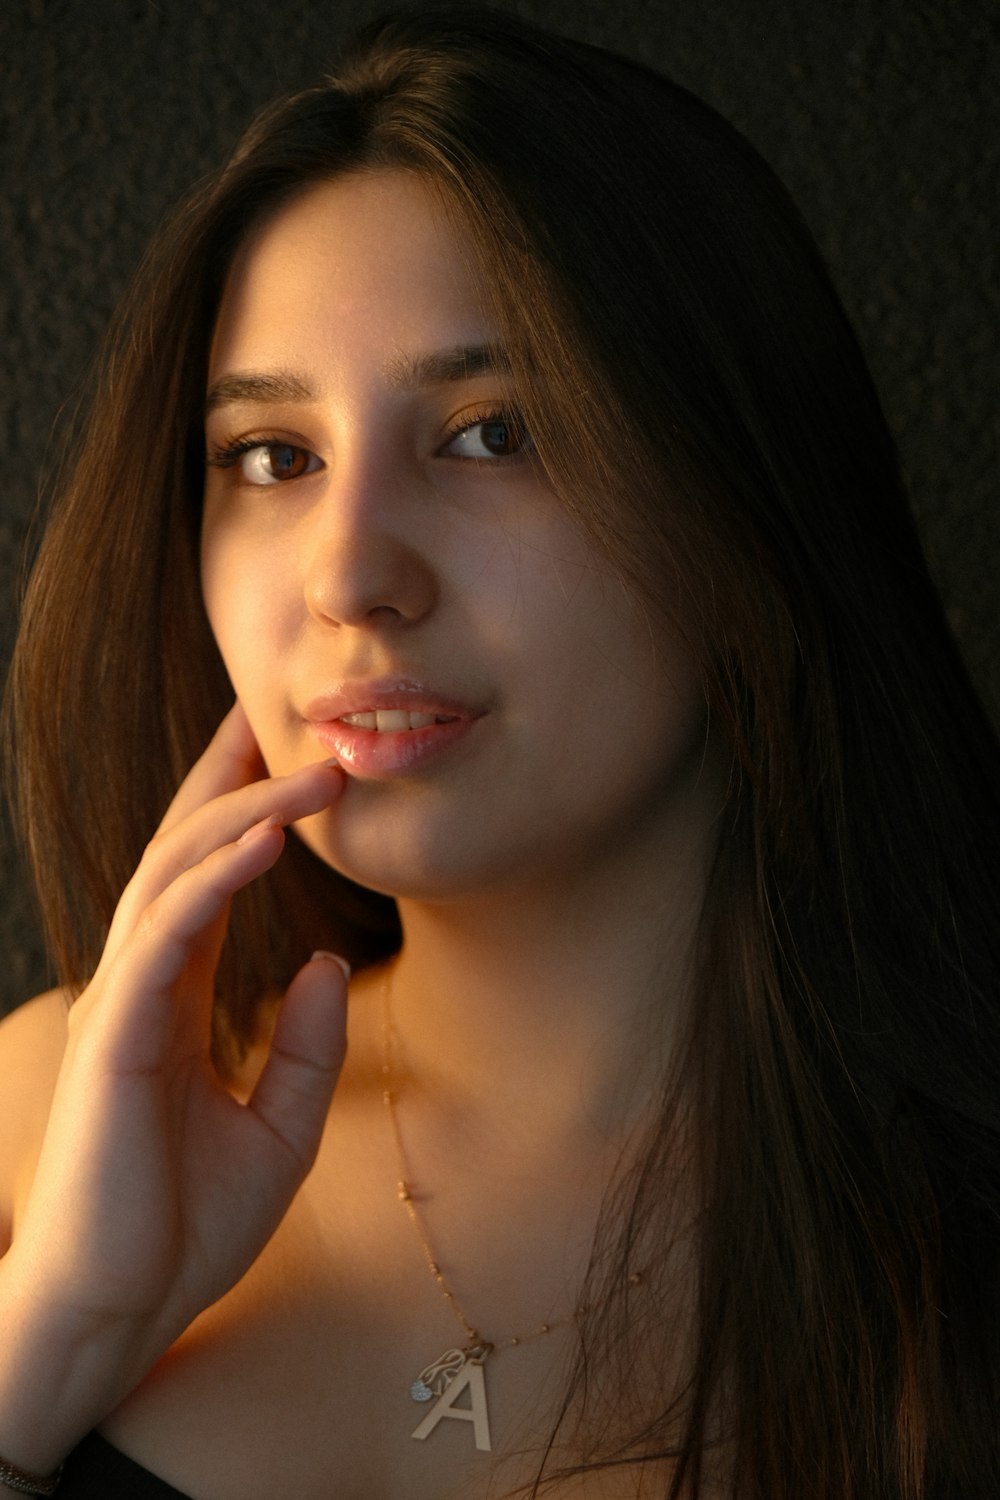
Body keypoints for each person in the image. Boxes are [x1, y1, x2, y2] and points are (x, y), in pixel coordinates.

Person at [1, 7, 998, 1497]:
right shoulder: (41, 1110)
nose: (348, 575)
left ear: (745, 491)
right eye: (273, 458)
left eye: (491, 434)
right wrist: (55, 1341)